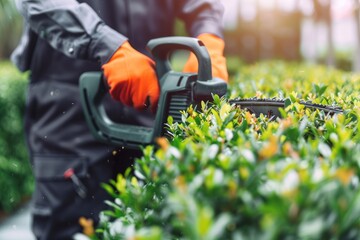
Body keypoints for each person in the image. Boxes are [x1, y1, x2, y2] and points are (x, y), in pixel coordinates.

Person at [11, 0, 228, 239]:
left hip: (149, 101)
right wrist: (105, 44)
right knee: (69, 228)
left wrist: (208, 34)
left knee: (151, 224)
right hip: (70, 108)